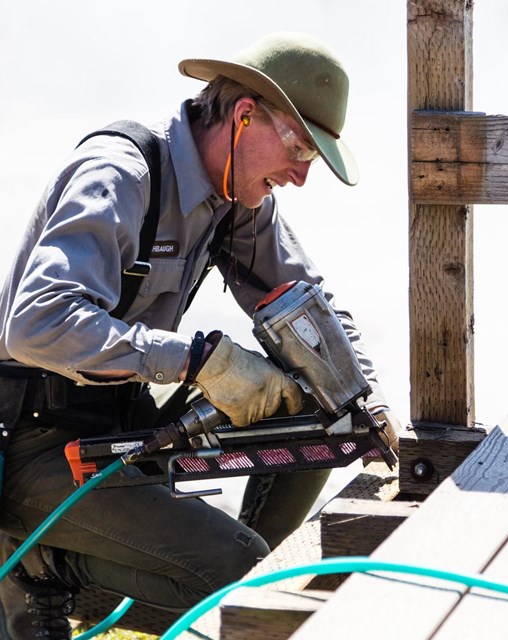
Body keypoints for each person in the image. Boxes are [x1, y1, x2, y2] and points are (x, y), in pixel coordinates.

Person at [0, 32, 402, 638]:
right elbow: (37, 325)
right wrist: (197, 362)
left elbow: (303, 302)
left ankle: (246, 587)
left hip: (117, 413)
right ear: (245, 116)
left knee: (322, 410)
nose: (299, 177)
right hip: (30, 438)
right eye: (299, 150)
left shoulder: (236, 197)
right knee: (230, 563)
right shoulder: (122, 174)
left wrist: (362, 398)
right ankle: (39, 561)